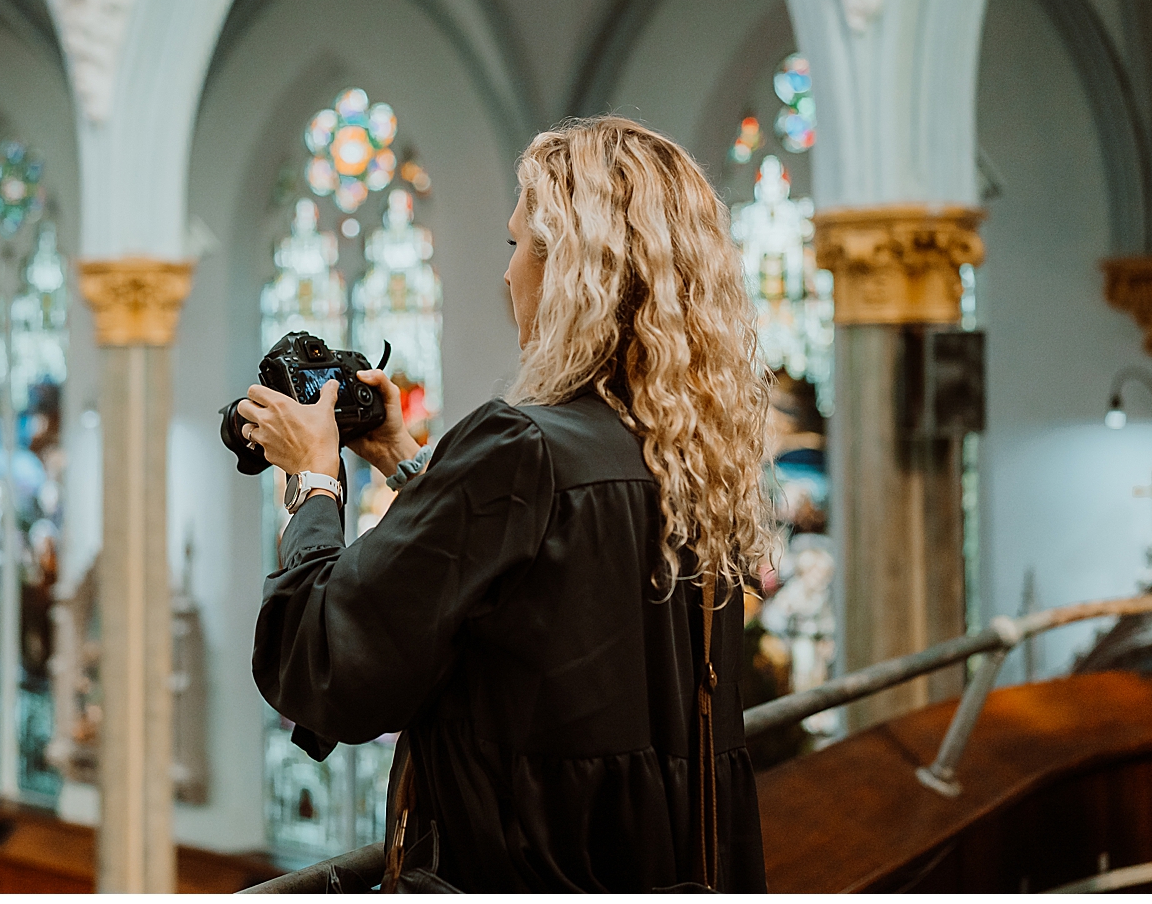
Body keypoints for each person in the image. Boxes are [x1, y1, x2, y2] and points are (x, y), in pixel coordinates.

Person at [240, 116, 775, 891]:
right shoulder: (686, 453)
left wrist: (312, 476)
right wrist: (403, 457)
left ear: (573, 271)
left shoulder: (520, 446)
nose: (507, 274)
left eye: (517, 244)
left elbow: (326, 665)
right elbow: (520, 586)